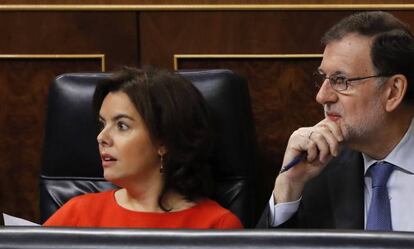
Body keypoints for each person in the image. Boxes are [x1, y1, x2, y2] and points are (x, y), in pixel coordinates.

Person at [257, 11, 414, 231]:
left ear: (393, 91)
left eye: (341, 81)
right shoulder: (316, 171)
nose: (322, 96)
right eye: (323, 78)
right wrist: (289, 186)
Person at [44, 67, 243, 229]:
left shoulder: (217, 225)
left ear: (164, 141)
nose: (101, 137)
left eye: (122, 125)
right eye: (103, 124)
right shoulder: (77, 214)